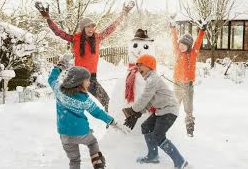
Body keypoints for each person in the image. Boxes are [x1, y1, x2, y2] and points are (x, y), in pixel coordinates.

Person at [35, 1, 135, 111]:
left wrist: (123, 14)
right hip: (77, 78)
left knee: (107, 102)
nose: (91, 29)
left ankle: (111, 123)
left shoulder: (98, 38)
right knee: (73, 105)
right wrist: (48, 19)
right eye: (88, 27)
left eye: (93, 26)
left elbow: (111, 28)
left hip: (91, 78)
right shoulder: (75, 39)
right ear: (83, 28)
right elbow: (58, 32)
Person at [48, 55, 118, 169]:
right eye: (87, 81)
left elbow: (51, 79)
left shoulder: (58, 90)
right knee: (92, 143)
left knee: (74, 161)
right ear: (79, 82)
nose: (89, 83)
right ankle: (98, 163)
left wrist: (59, 66)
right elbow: (98, 112)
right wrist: (111, 121)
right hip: (81, 132)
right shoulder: (85, 99)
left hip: (64, 134)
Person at [122, 55, 188, 169]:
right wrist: (138, 113)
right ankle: (153, 156)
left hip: (169, 110)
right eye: (136, 65)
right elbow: (149, 101)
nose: (137, 68)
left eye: (140, 64)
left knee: (158, 135)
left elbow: (144, 98)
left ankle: (180, 161)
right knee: (146, 126)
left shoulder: (153, 79)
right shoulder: (150, 79)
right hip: (161, 110)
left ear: (149, 65)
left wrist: (132, 110)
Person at [170, 17, 206, 137]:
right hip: (176, 85)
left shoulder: (193, 54)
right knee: (173, 107)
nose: (180, 46)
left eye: (183, 45)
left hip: (188, 86)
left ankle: (189, 128)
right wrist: (172, 27)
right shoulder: (177, 52)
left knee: (188, 109)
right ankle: (166, 126)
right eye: (180, 44)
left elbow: (198, 42)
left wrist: (202, 30)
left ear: (189, 46)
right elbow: (174, 39)